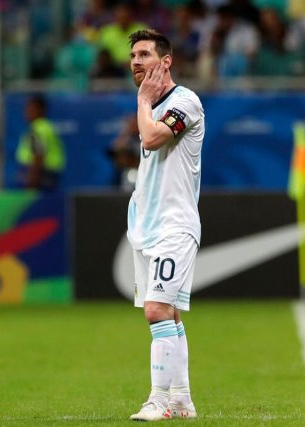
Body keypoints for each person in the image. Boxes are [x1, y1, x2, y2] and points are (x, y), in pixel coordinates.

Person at [125, 29, 204, 421]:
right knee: (169, 313)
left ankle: (158, 400)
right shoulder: (149, 106)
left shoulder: (185, 102)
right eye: (133, 56)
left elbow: (153, 139)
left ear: (166, 61)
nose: (136, 62)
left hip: (175, 225)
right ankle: (182, 399)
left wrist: (142, 101)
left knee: (156, 309)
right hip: (147, 226)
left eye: (144, 54)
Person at [15, 95, 65, 191]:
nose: (27, 112)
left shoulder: (38, 129)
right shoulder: (46, 127)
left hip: (40, 175)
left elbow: (38, 155)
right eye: (27, 109)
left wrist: (32, 181)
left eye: (31, 109)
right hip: (47, 174)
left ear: (41, 110)